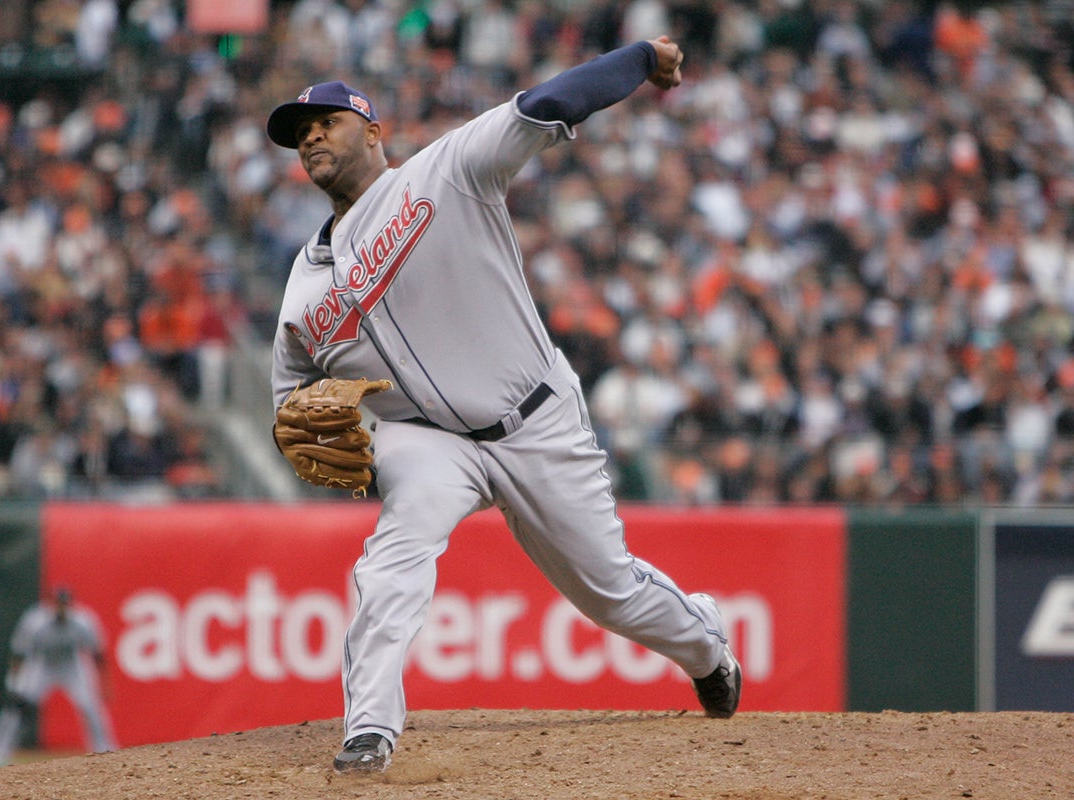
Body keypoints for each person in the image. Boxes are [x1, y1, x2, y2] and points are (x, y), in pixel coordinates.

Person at [264, 34, 740, 774]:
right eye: (300, 132)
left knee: (607, 590)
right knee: (394, 557)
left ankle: (705, 642)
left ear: (374, 130)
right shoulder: (303, 285)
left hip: (533, 417)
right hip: (428, 441)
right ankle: (370, 730)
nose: (312, 134)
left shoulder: (445, 172)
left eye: (327, 119)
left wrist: (642, 59)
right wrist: (318, 432)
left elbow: (545, 105)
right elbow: (288, 395)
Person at [0, 587, 117, 767]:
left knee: (90, 706)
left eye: (64, 604)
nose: (61, 608)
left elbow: (97, 654)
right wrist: (14, 685)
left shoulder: (83, 620)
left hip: (72, 665)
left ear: (70, 605)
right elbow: (19, 654)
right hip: (41, 665)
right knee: (15, 708)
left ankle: (105, 749)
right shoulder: (35, 621)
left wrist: (104, 683)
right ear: (50, 604)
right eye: (58, 604)